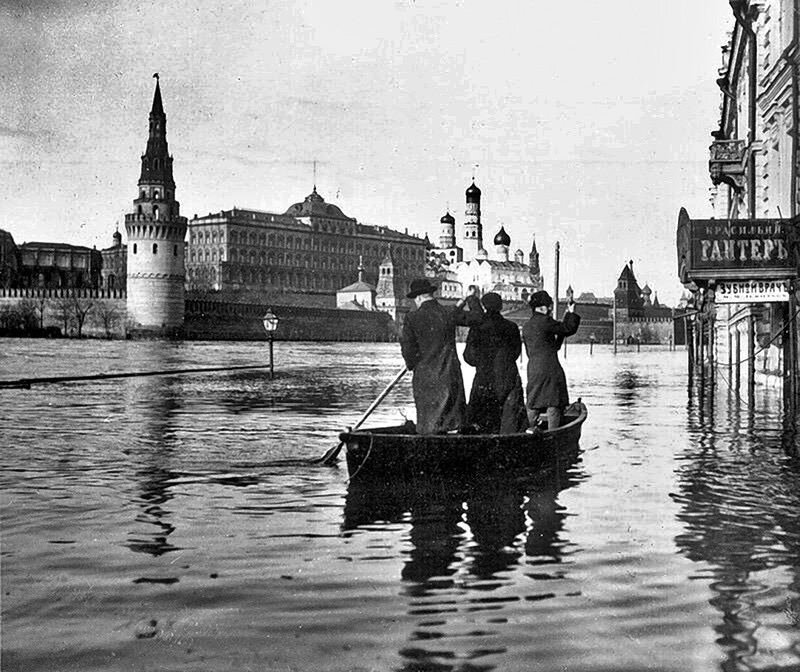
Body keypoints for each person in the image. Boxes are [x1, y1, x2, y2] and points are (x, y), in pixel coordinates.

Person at [400, 279, 483, 435]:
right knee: (452, 421)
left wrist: (411, 364)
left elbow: (409, 352)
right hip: (449, 376)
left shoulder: (412, 317)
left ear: (418, 298)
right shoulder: (448, 312)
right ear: (431, 294)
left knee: (428, 424)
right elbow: (478, 318)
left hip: (425, 379)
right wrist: (472, 298)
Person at [463, 292, 527, 434]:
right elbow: (516, 353)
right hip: (507, 378)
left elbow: (469, 357)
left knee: (481, 422)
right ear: (501, 306)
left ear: (484, 306)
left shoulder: (477, 328)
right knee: (510, 421)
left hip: (484, 378)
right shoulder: (511, 326)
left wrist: (482, 361)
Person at [522, 290, 580, 431]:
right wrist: (571, 313)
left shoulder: (527, 326)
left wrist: (563, 326)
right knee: (554, 404)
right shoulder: (545, 321)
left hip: (534, 369)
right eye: (549, 306)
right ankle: (554, 435)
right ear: (543, 307)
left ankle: (526, 433)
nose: (551, 309)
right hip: (550, 369)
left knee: (533, 403)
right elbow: (568, 328)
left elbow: (554, 346)